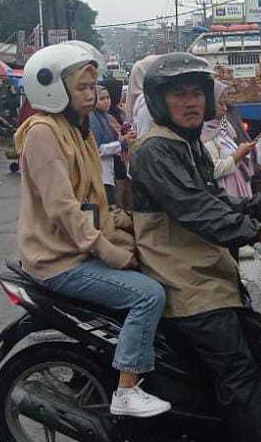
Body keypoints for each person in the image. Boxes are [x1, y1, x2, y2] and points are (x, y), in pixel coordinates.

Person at [128, 52, 261, 442]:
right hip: (182, 278)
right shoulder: (156, 149)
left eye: (196, 93)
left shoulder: (186, 143)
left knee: (253, 343)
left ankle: (238, 434)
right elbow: (196, 210)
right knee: (238, 371)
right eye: (178, 94)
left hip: (206, 269)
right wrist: (260, 232)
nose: (190, 102)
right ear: (158, 99)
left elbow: (211, 198)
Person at [13, 43, 171, 418]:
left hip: (78, 250)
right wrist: (111, 252)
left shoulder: (77, 130)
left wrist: (138, 224)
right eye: (82, 87)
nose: (92, 94)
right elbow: (65, 209)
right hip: (58, 260)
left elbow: (94, 203)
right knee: (148, 295)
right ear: (54, 89)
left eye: (92, 86)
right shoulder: (43, 134)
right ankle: (127, 390)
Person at [203, 80, 258, 207]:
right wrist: (238, 155)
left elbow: (235, 138)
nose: (225, 108)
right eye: (221, 103)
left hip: (238, 190)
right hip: (226, 197)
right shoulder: (204, 134)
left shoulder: (222, 125)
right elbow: (213, 171)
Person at [89, 84, 135, 206]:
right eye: (102, 99)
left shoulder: (106, 117)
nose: (106, 102)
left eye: (108, 98)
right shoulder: (92, 118)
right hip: (100, 173)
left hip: (108, 172)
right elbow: (97, 149)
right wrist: (121, 143)